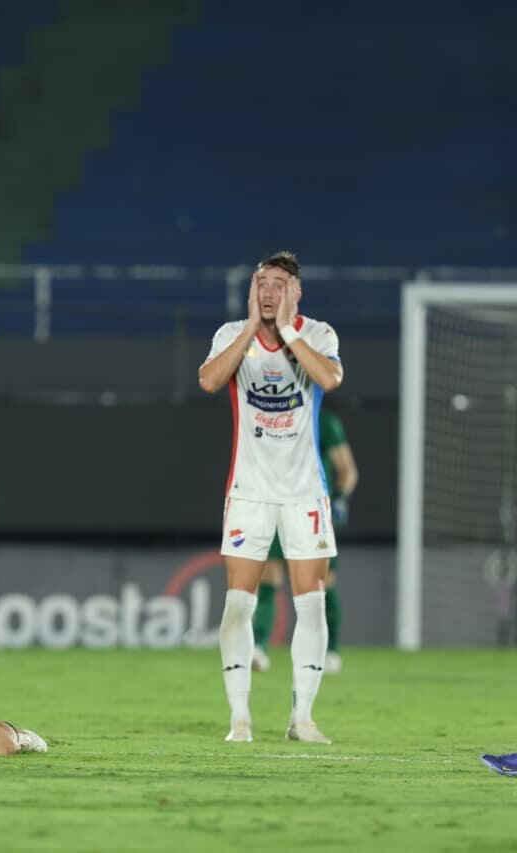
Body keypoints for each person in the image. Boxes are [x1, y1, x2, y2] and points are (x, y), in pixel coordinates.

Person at [198, 250, 343, 745]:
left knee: (312, 604)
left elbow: (330, 378)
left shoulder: (318, 334)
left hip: (304, 492)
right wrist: (248, 331)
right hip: (250, 492)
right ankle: (239, 719)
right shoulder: (230, 335)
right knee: (238, 603)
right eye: (261, 282)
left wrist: (289, 332)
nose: (268, 291)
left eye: (279, 283)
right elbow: (210, 381)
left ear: (296, 291)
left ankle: (302, 718)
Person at [252, 409, 358, 675]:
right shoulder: (270, 418)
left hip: (312, 510)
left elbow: (347, 469)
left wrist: (340, 499)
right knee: (269, 575)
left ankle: (330, 651)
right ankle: (259, 649)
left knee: (321, 584)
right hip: (278, 505)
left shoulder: (323, 421)